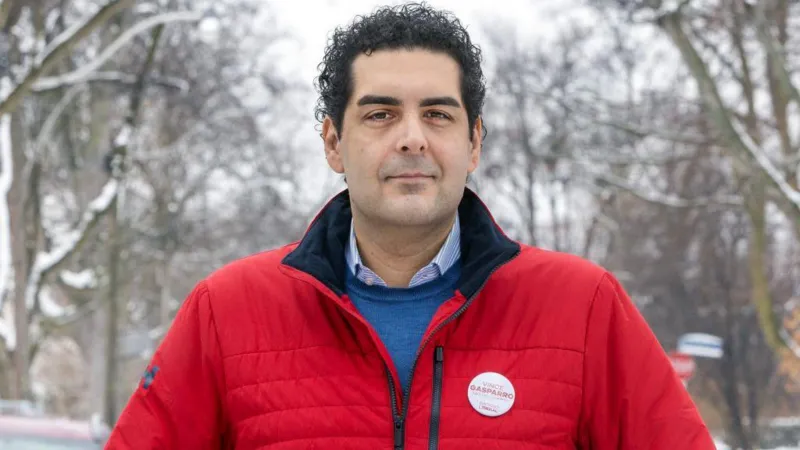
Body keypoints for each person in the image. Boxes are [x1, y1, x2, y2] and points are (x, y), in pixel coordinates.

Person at [105, 3, 716, 449]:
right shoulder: (226, 312)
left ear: (474, 142)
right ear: (333, 142)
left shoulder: (583, 308)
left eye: (438, 114)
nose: (412, 138)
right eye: (380, 114)